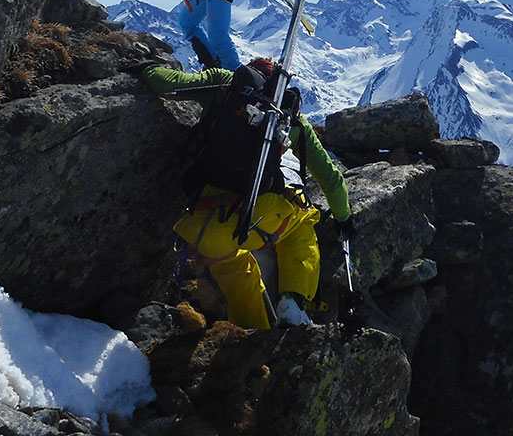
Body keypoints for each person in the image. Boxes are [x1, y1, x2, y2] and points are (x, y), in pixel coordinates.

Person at [139, 57, 353, 329]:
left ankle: (250, 335)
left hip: (202, 222)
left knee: (234, 268)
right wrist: (344, 219)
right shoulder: (288, 115)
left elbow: (167, 85)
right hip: (255, 218)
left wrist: (145, 66)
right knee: (304, 223)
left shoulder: (225, 84)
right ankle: (293, 302)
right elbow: (331, 180)